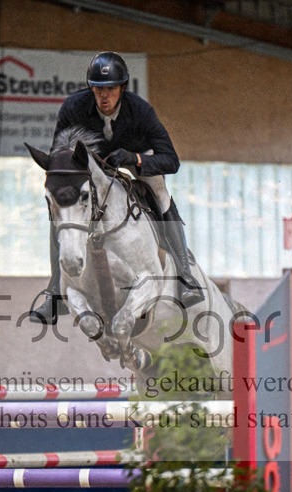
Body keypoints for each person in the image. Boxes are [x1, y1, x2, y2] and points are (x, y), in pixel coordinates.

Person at [28, 51, 203, 325]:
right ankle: (55, 292)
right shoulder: (73, 107)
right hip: (92, 166)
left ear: (122, 88)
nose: (104, 96)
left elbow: (172, 161)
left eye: (110, 89)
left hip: (135, 158)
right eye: (98, 89)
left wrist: (135, 158)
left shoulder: (141, 111)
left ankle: (185, 276)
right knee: (61, 207)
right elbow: (59, 158)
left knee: (160, 192)